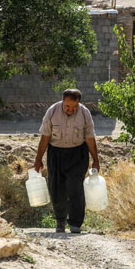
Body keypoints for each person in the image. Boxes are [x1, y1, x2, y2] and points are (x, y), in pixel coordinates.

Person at [34, 89, 100, 233]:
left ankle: (75, 223)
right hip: (56, 154)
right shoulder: (52, 111)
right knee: (56, 188)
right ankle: (60, 221)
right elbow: (45, 137)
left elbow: (89, 138)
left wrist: (96, 159)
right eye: (67, 106)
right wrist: (38, 159)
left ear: (79, 103)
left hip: (77, 154)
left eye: (74, 107)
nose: (71, 109)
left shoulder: (85, 113)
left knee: (75, 187)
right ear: (63, 101)